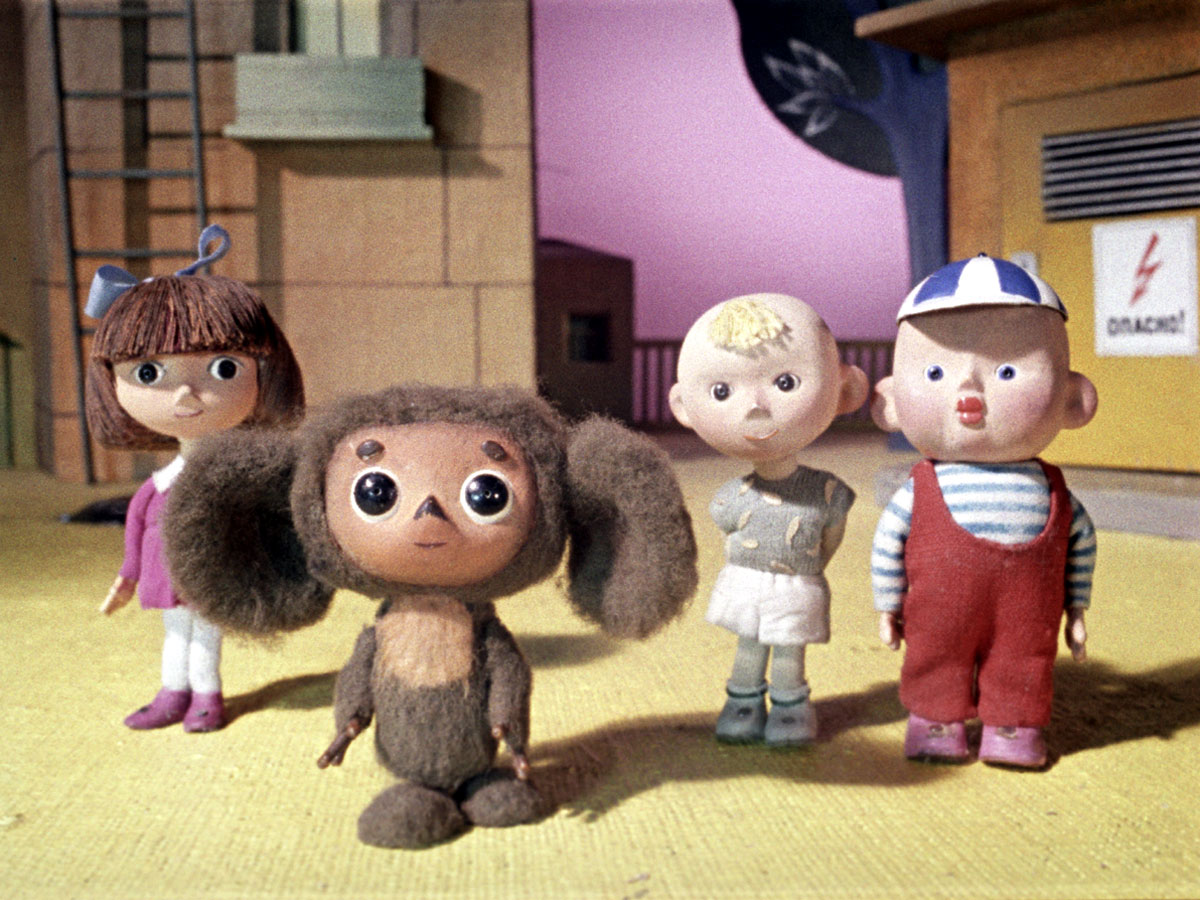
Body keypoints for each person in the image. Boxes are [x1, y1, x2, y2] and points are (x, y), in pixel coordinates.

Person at [870, 254, 1098, 768]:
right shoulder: (920, 487)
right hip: (936, 613)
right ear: (891, 402)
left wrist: (1077, 607)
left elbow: (1081, 543)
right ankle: (934, 719)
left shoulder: (1054, 491)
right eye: (935, 372)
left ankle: (1014, 726)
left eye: (1007, 371)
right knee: (935, 655)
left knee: (1024, 660)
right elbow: (887, 542)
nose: (968, 392)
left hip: (1029, 613)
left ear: (1074, 399)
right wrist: (887, 605)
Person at [84, 225, 304, 732]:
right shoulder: (160, 484)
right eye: (149, 373)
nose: (186, 395)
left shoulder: (235, 478)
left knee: (206, 633)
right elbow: (137, 526)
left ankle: (207, 696)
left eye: (224, 369)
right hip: (165, 573)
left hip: (215, 573)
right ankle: (172, 693)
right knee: (175, 632)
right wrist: (128, 574)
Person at [669, 294, 868, 745]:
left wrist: (810, 566)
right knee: (749, 647)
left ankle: (791, 708)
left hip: (798, 583)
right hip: (746, 580)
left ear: (846, 391)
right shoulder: (733, 496)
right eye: (723, 392)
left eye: (785, 382)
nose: (756, 405)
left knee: (789, 655)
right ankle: (742, 702)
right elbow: (728, 530)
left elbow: (832, 535)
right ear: (683, 407)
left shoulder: (827, 492)